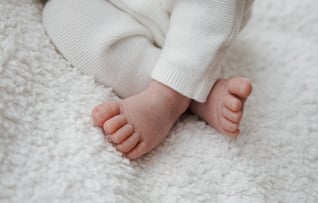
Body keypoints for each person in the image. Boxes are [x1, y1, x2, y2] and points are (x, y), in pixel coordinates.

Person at [41, 0, 253, 159]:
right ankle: (193, 89)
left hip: (195, 20)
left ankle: (169, 94)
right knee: (60, 13)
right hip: (116, 7)